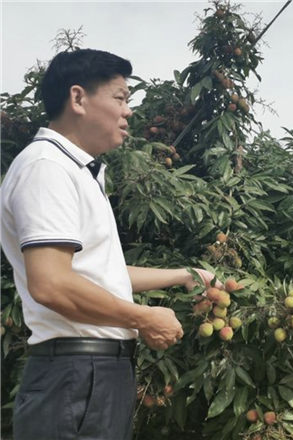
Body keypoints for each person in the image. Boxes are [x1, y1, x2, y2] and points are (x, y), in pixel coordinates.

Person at [0, 49, 220, 440]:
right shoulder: (47, 168)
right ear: (78, 98)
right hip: (77, 374)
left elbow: (100, 274)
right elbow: (50, 283)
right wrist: (143, 318)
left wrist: (184, 276)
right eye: (120, 98)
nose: (128, 112)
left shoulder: (76, 171)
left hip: (91, 375)